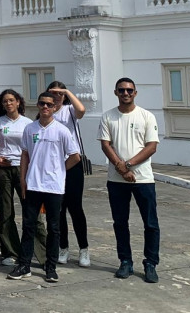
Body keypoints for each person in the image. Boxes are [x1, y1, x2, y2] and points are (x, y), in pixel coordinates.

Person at [7, 92, 80, 283]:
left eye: (49, 104)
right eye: (42, 104)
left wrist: (60, 170)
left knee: (54, 228)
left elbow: (75, 156)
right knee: (29, 226)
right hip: (33, 184)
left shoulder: (62, 130)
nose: (46, 107)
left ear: (55, 107)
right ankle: (24, 265)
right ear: (38, 105)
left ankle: (51, 266)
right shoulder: (30, 128)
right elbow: (24, 154)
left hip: (54, 187)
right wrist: (23, 179)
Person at [98, 77, 160, 283]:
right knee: (120, 223)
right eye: (122, 90)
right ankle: (125, 261)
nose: (126, 93)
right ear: (116, 92)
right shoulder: (108, 117)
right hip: (116, 180)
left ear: (135, 92)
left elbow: (151, 146)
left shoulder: (147, 116)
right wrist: (121, 168)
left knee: (150, 223)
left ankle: (150, 263)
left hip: (143, 179)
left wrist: (129, 165)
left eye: (129, 90)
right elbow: (106, 145)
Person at [46, 81, 90, 268]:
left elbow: (81, 110)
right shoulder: (46, 112)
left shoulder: (69, 111)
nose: (56, 97)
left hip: (72, 164)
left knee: (75, 207)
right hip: (53, 166)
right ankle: (63, 247)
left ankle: (84, 249)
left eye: (59, 94)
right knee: (58, 209)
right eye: (53, 93)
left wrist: (66, 92)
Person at [0, 89, 32, 266]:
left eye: (11, 100)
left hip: (22, 169)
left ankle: (32, 249)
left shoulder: (28, 123)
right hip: (3, 169)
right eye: (5, 101)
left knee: (30, 210)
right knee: (5, 211)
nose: (8, 104)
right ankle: (9, 251)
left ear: (18, 102)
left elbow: (30, 149)